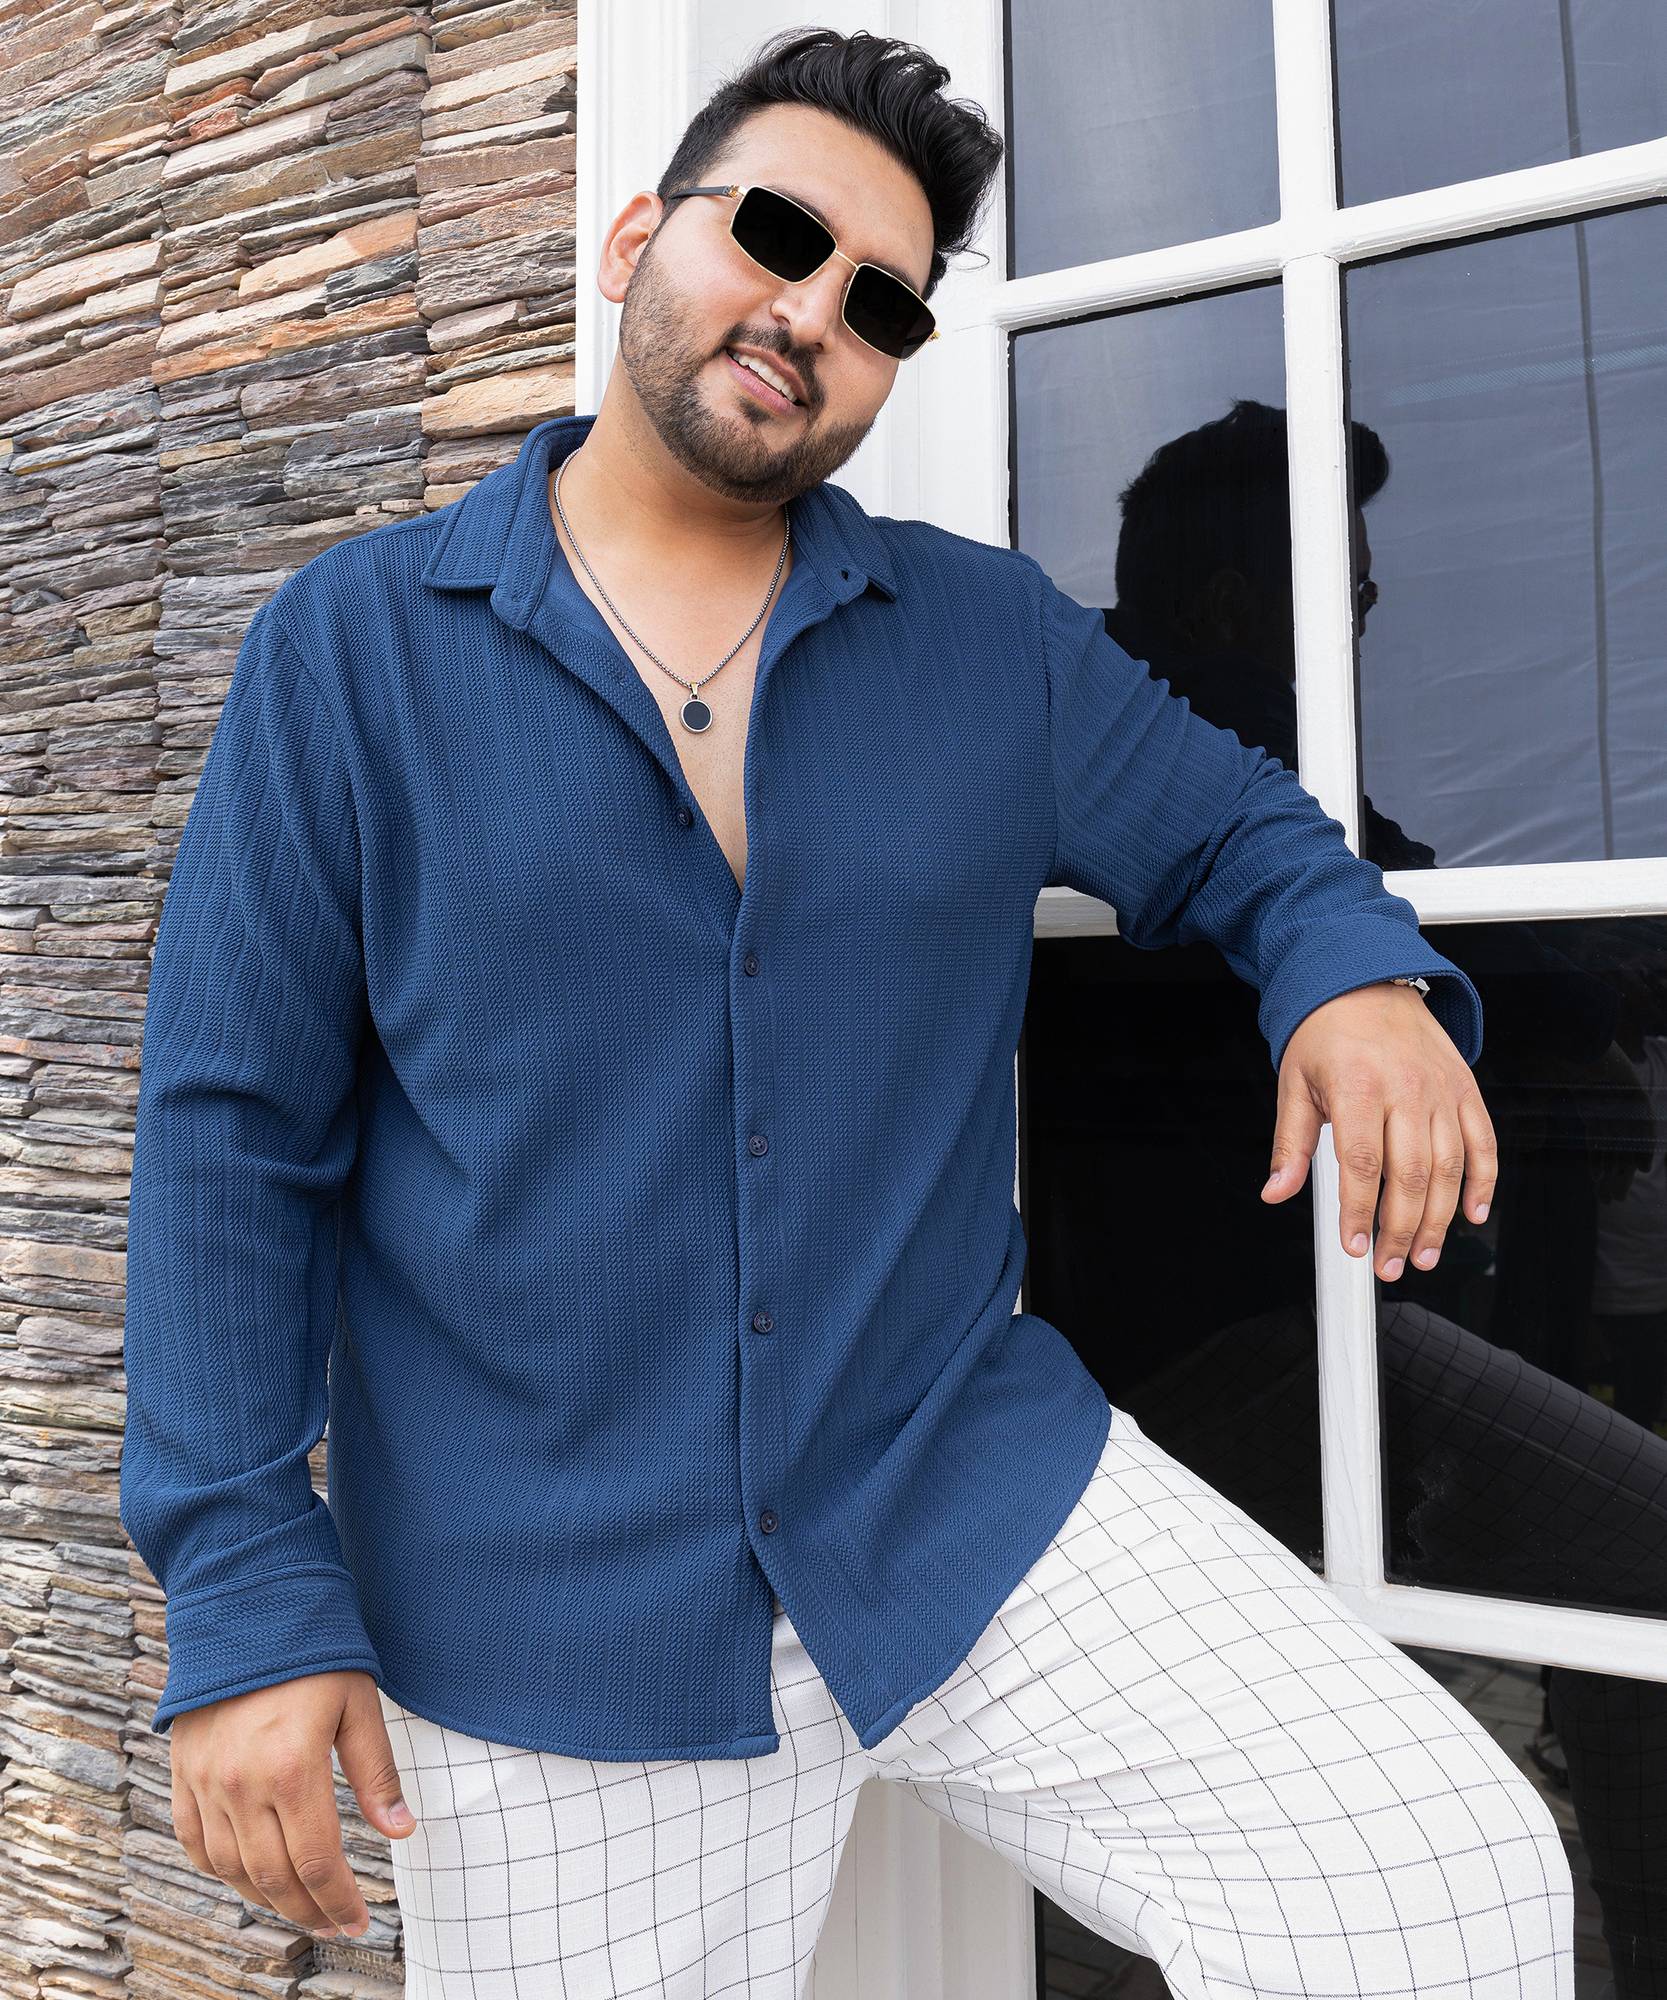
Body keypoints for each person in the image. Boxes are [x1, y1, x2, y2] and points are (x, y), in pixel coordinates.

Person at [119, 26, 1573, 1998]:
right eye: (777, 234)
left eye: (882, 300)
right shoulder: (351, 652)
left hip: (959, 1499)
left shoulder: (989, 641)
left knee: (1437, 1882)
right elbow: (230, 1138)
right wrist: (238, 1581)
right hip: (545, 1610)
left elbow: (1239, 826)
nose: (813, 312)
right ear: (635, 238)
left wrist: (1359, 974)